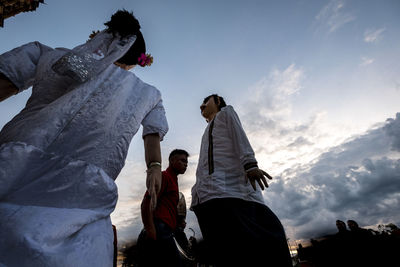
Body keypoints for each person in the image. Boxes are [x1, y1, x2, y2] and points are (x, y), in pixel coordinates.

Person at [0, 10, 168, 267]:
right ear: (137, 60)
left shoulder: (48, 54)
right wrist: (154, 168)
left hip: (10, 167)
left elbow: (6, 80)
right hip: (81, 197)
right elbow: (152, 135)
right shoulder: (147, 94)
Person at [190, 94, 292, 267]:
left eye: (205, 102)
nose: (201, 106)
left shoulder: (226, 113)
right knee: (226, 252)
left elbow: (239, 135)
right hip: (208, 195)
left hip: (231, 191)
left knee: (257, 244)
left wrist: (250, 164)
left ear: (218, 102)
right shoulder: (207, 130)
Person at [138, 149, 189, 267]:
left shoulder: (174, 181)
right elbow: (146, 202)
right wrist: (150, 230)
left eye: (186, 162)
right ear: (171, 161)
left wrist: (177, 222)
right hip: (160, 230)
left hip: (167, 230)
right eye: (182, 161)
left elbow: (166, 208)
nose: (185, 164)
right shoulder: (164, 176)